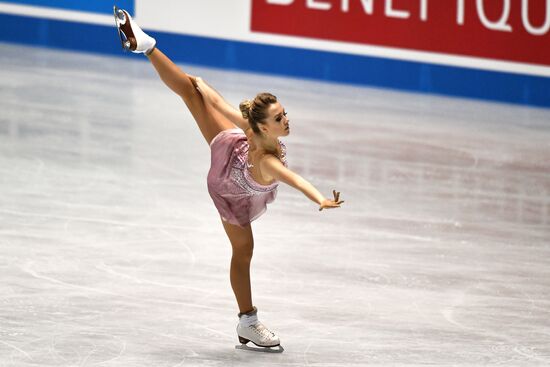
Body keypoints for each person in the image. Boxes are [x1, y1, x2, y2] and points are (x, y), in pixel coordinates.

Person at [113, 7, 344, 353]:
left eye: (284, 113)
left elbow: (219, 104)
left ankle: (145, 46)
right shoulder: (267, 158)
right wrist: (321, 199)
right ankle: (247, 322)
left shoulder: (252, 130)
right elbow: (294, 179)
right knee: (244, 249)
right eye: (280, 117)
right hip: (231, 188)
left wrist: (204, 88)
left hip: (234, 153)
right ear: (265, 127)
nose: (287, 120)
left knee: (192, 92)